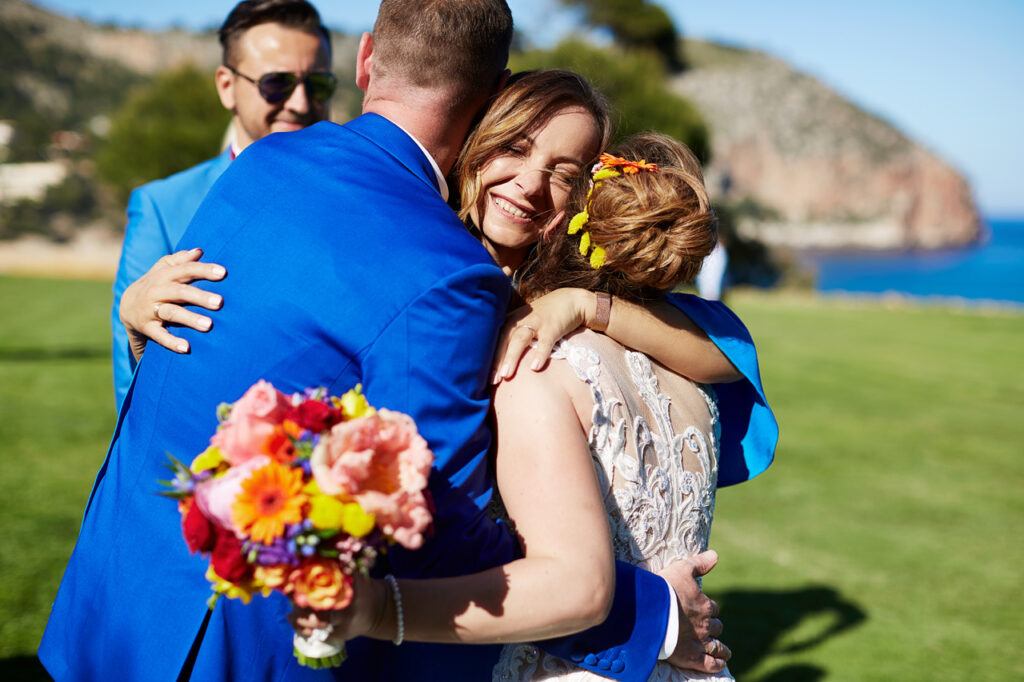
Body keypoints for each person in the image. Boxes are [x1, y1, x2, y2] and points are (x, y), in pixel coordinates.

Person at [40, 4, 742, 681]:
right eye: (520, 146)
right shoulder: (447, 274)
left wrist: (584, 305)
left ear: (368, 56)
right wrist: (653, 617)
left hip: (109, 602)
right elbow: (438, 524)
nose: (532, 181)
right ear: (493, 102)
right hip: (241, 639)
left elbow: (728, 351)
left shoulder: (263, 164)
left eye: (564, 170)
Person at [292, 131, 748, 681]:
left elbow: (557, 575)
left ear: (569, 221)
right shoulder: (696, 378)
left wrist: (378, 608)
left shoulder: (532, 364)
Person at [110, 0, 335, 406]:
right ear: (226, 86)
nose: (301, 103)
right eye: (276, 83)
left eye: (318, 85)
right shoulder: (161, 206)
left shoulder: (356, 204)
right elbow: (132, 395)